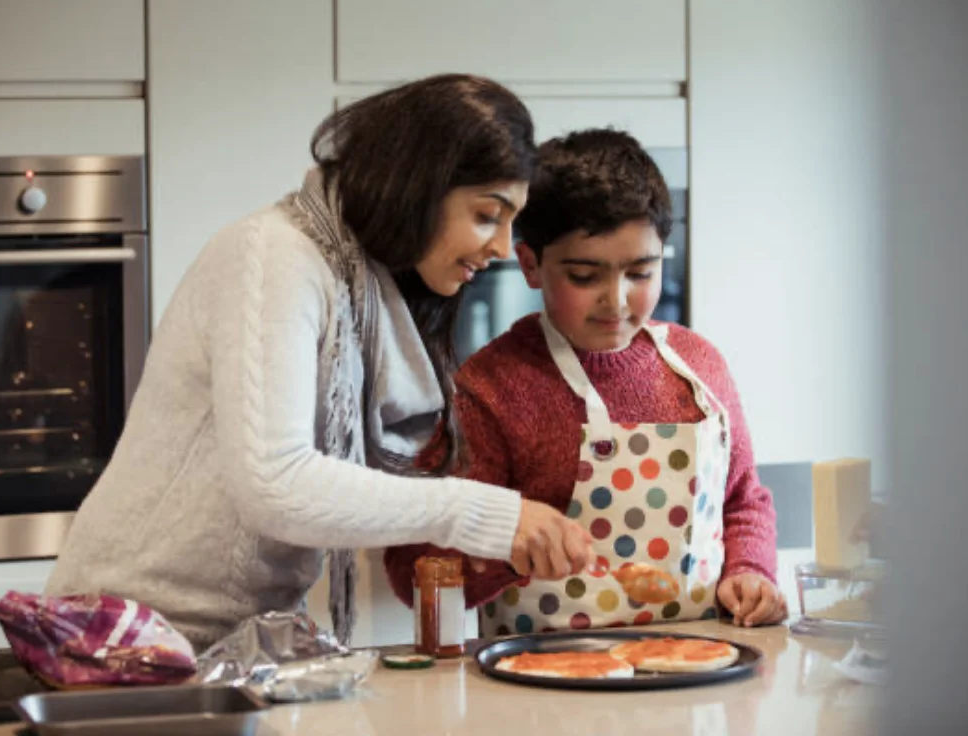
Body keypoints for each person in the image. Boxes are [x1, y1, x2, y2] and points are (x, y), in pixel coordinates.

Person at [45, 74, 593, 650]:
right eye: (487, 215)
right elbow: (275, 484)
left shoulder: (369, 289)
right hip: (123, 633)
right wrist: (489, 516)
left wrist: (500, 535)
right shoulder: (273, 255)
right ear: (419, 187)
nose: (502, 248)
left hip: (240, 641)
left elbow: (363, 495)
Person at [384, 128, 787, 635]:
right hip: (540, 690)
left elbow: (744, 500)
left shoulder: (698, 364)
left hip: (697, 672)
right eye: (584, 276)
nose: (616, 301)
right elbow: (411, 571)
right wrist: (508, 542)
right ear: (531, 264)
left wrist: (751, 572)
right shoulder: (488, 391)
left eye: (641, 273)